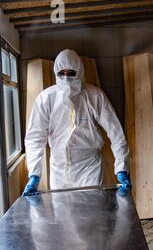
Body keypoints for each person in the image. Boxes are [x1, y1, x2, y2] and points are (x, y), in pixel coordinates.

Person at [23, 49, 132, 196]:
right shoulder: (46, 98)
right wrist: (34, 174)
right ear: (56, 72)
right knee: (62, 215)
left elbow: (116, 132)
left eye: (71, 73)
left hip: (89, 168)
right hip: (59, 168)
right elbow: (35, 138)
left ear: (79, 72)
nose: (66, 78)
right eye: (62, 73)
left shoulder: (95, 96)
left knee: (91, 211)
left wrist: (121, 168)